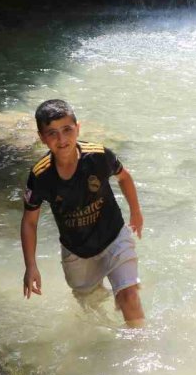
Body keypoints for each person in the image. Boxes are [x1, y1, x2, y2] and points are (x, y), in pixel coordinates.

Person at [20, 99, 146, 326]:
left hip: (113, 236)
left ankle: (140, 348)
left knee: (129, 296)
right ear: (41, 137)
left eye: (67, 130)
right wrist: (31, 266)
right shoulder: (40, 176)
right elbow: (29, 222)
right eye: (52, 133)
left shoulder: (98, 156)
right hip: (76, 251)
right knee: (92, 307)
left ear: (78, 128)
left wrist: (136, 213)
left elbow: (124, 177)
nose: (62, 139)